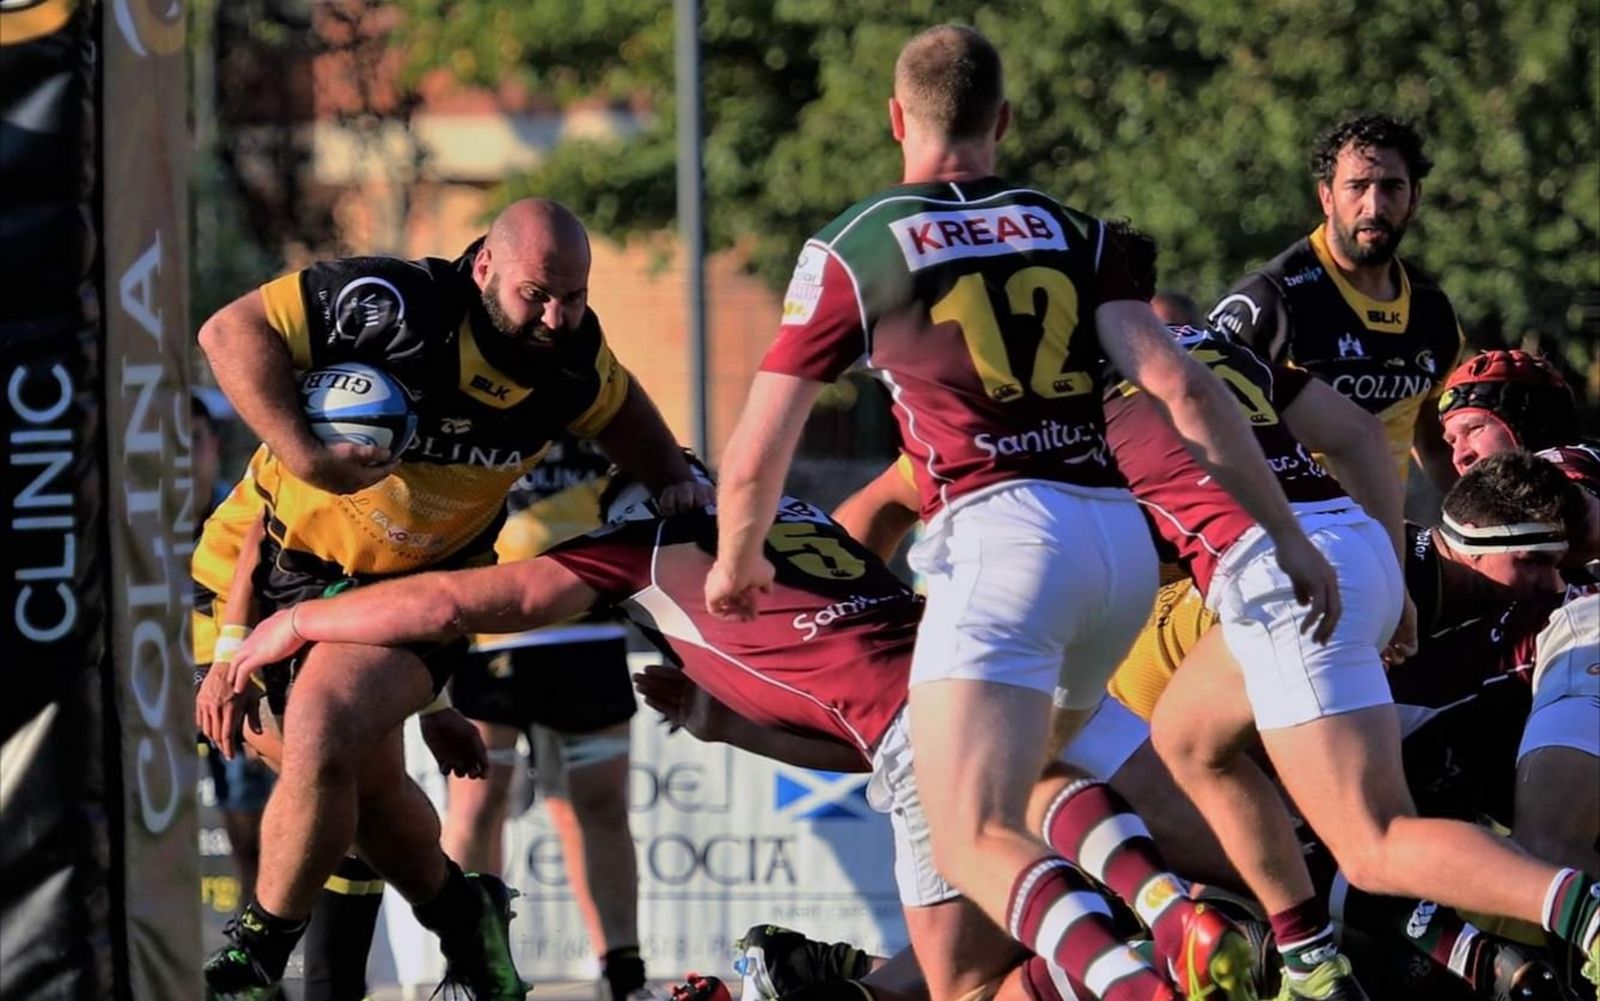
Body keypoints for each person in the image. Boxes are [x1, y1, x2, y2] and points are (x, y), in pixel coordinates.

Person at [708, 25, 1338, 1001]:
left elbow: (756, 447)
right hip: (1114, 544)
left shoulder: (857, 243)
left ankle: (1135, 979)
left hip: (997, 546)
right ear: (1002, 120)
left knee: (966, 832)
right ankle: (1173, 908)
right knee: (1042, 768)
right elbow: (1184, 390)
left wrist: (736, 560)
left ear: (893, 119)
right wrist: (1285, 534)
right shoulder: (1075, 231)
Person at [222, 461, 1264, 1001]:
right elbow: (847, 697)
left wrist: (299, 617)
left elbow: (450, 602)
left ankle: (1137, 965)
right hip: (1013, 672)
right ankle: (1234, 928)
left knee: (963, 986)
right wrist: (724, 721)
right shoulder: (795, 514)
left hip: (934, 728)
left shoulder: (638, 552)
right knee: (1264, 871)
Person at [192, 197, 711, 1001]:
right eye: (536, 293)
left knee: (323, 729)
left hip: (411, 597)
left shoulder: (573, 358)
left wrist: (676, 480)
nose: (554, 315)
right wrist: (310, 457)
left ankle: (259, 954)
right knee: (355, 780)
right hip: (256, 573)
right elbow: (227, 331)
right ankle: (463, 912)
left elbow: (625, 412)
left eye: (572, 296)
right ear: (484, 267)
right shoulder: (392, 307)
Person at [443, 434, 658, 1001]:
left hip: (586, 631)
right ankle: (476, 967)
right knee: (479, 803)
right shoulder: (479, 407)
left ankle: (623, 974)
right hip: (489, 631)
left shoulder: (601, 407)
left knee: (600, 805)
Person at [1208, 113, 1465, 490]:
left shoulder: (1432, 311)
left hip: (1380, 539)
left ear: (1414, 198)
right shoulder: (1272, 298)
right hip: (1288, 534)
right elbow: (1202, 420)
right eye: (1357, 187)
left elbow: (1435, 447)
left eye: (1392, 187)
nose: (1374, 207)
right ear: (1326, 196)